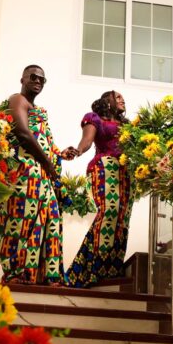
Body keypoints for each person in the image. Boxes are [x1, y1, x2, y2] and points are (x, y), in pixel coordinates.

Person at [0, 65, 77, 285]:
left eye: (43, 79)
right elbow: (23, 133)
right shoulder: (17, 99)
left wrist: (59, 154)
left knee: (49, 223)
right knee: (19, 223)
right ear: (22, 78)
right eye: (33, 77)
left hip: (44, 176)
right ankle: (14, 272)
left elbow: (43, 142)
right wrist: (47, 163)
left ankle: (46, 275)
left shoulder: (39, 111)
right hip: (24, 174)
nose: (38, 81)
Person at [66, 91, 132, 287]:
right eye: (117, 96)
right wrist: (78, 150)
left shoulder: (128, 125)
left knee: (122, 220)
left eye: (123, 97)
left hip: (126, 172)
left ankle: (111, 269)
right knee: (108, 214)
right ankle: (91, 269)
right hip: (104, 167)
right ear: (107, 101)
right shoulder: (94, 118)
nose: (122, 99)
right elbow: (87, 140)